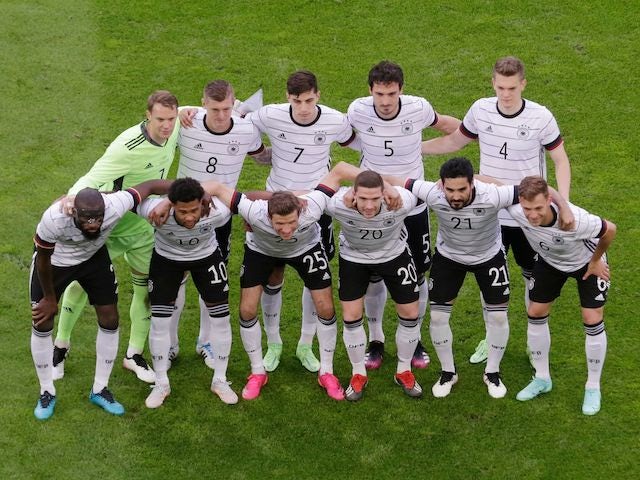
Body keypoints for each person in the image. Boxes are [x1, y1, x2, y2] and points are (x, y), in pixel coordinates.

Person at [421, 56, 572, 364]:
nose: (506, 94)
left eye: (512, 88)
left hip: (529, 213)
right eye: (501, 87)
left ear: (523, 85)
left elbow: (560, 160)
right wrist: (411, 146)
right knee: (488, 278)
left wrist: (563, 203)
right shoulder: (480, 109)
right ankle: (490, 338)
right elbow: (454, 142)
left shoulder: (540, 117)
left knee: (534, 277)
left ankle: (534, 341)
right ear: (493, 83)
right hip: (491, 211)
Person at [51, 91, 181, 384]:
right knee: (80, 286)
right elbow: (93, 175)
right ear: (147, 115)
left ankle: (134, 355)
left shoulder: (177, 125)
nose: (167, 126)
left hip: (144, 231)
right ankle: (60, 346)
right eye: (160, 119)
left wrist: (233, 109)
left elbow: (196, 110)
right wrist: (72, 197)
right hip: (111, 229)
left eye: (171, 119)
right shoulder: (127, 146)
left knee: (144, 291)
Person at [199, 165, 357, 401]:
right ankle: (257, 372)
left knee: (325, 307)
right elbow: (216, 186)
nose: (286, 229)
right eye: (279, 224)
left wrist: (376, 189)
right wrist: (172, 201)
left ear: (300, 212)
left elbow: (340, 171)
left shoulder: (312, 205)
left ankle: (327, 371)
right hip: (262, 251)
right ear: (267, 215)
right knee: (246, 309)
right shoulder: (254, 211)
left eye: (291, 222)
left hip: (306, 248)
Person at [347, 60, 461, 372]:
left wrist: (471, 129)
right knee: (373, 272)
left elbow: (449, 126)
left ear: (402, 90)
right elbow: (336, 131)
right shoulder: (357, 110)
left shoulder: (418, 109)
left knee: (419, 271)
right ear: (370, 90)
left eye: (392, 94)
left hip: (414, 205)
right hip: (374, 204)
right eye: (379, 94)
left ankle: (415, 339)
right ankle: (376, 339)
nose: (385, 101)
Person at [30, 180, 171, 420]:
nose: (94, 224)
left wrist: (185, 190)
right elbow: (43, 258)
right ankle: (46, 392)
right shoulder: (54, 218)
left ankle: (100, 389)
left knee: (110, 318)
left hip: (93, 260)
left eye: (98, 218)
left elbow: (149, 186)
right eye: (87, 219)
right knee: (42, 323)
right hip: (55, 265)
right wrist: (50, 299)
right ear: (74, 211)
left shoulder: (115, 204)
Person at [244, 70, 355, 373]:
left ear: (318, 95)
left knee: (313, 280)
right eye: (297, 101)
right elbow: (236, 123)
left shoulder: (336, 119)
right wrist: (190, 112)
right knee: (272, 277)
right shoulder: (269, 115)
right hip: (275, 208)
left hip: (317, 208)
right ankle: (274, 342)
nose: (304, 107)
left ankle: (306, 343)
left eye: (308, 100)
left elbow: (356, 142)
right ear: (287, 97)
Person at [169, 80, 269, 370]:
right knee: (176, 277)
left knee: (211, 280)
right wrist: (178, 114)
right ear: (203, 104)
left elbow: (261, 158)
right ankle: (172, 345)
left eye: (227, 108)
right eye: (215, 109)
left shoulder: (246, 129)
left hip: (218, 217)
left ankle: (206, 342)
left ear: (233, 104)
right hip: (180, 212)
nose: (222, 115)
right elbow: (156, 122)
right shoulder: (186, 121)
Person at [508, 176, 615, 415]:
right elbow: (489, 185)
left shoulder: (575, 221)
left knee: (591, 318)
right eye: (527, 209)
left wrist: (596, 261)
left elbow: (610, 230)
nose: (532, 215)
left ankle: (592, 387)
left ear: (549, 201)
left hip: (586, 264)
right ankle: (542, 378)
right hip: (551, 261)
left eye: (538, 208)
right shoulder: (515, 208)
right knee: (535, 312)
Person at [319, 166, 424, 401]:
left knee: (410, 312)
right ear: (353, 194)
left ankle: (404, 370)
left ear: (384, 195)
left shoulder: (401, 201)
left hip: (394, 255)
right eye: (363, 198)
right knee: (351, 316)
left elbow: (427, 188)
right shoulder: (337, 203)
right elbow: (324, 182)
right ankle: (358, 373)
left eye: (375, 198)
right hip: (354, 259)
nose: (368, 205)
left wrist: (388, 186)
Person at [138, 178, 238, 407]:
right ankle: (161, 383)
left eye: (194, 210)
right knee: (160, 321)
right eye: (183, 212)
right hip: (166, 261)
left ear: (202, 203)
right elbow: (125, 197)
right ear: (171, 205)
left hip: (208, 258)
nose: (190, 216)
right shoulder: (154, 211)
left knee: (221, 318)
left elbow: (247, 197)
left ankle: (220, 380)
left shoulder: (218, 211)